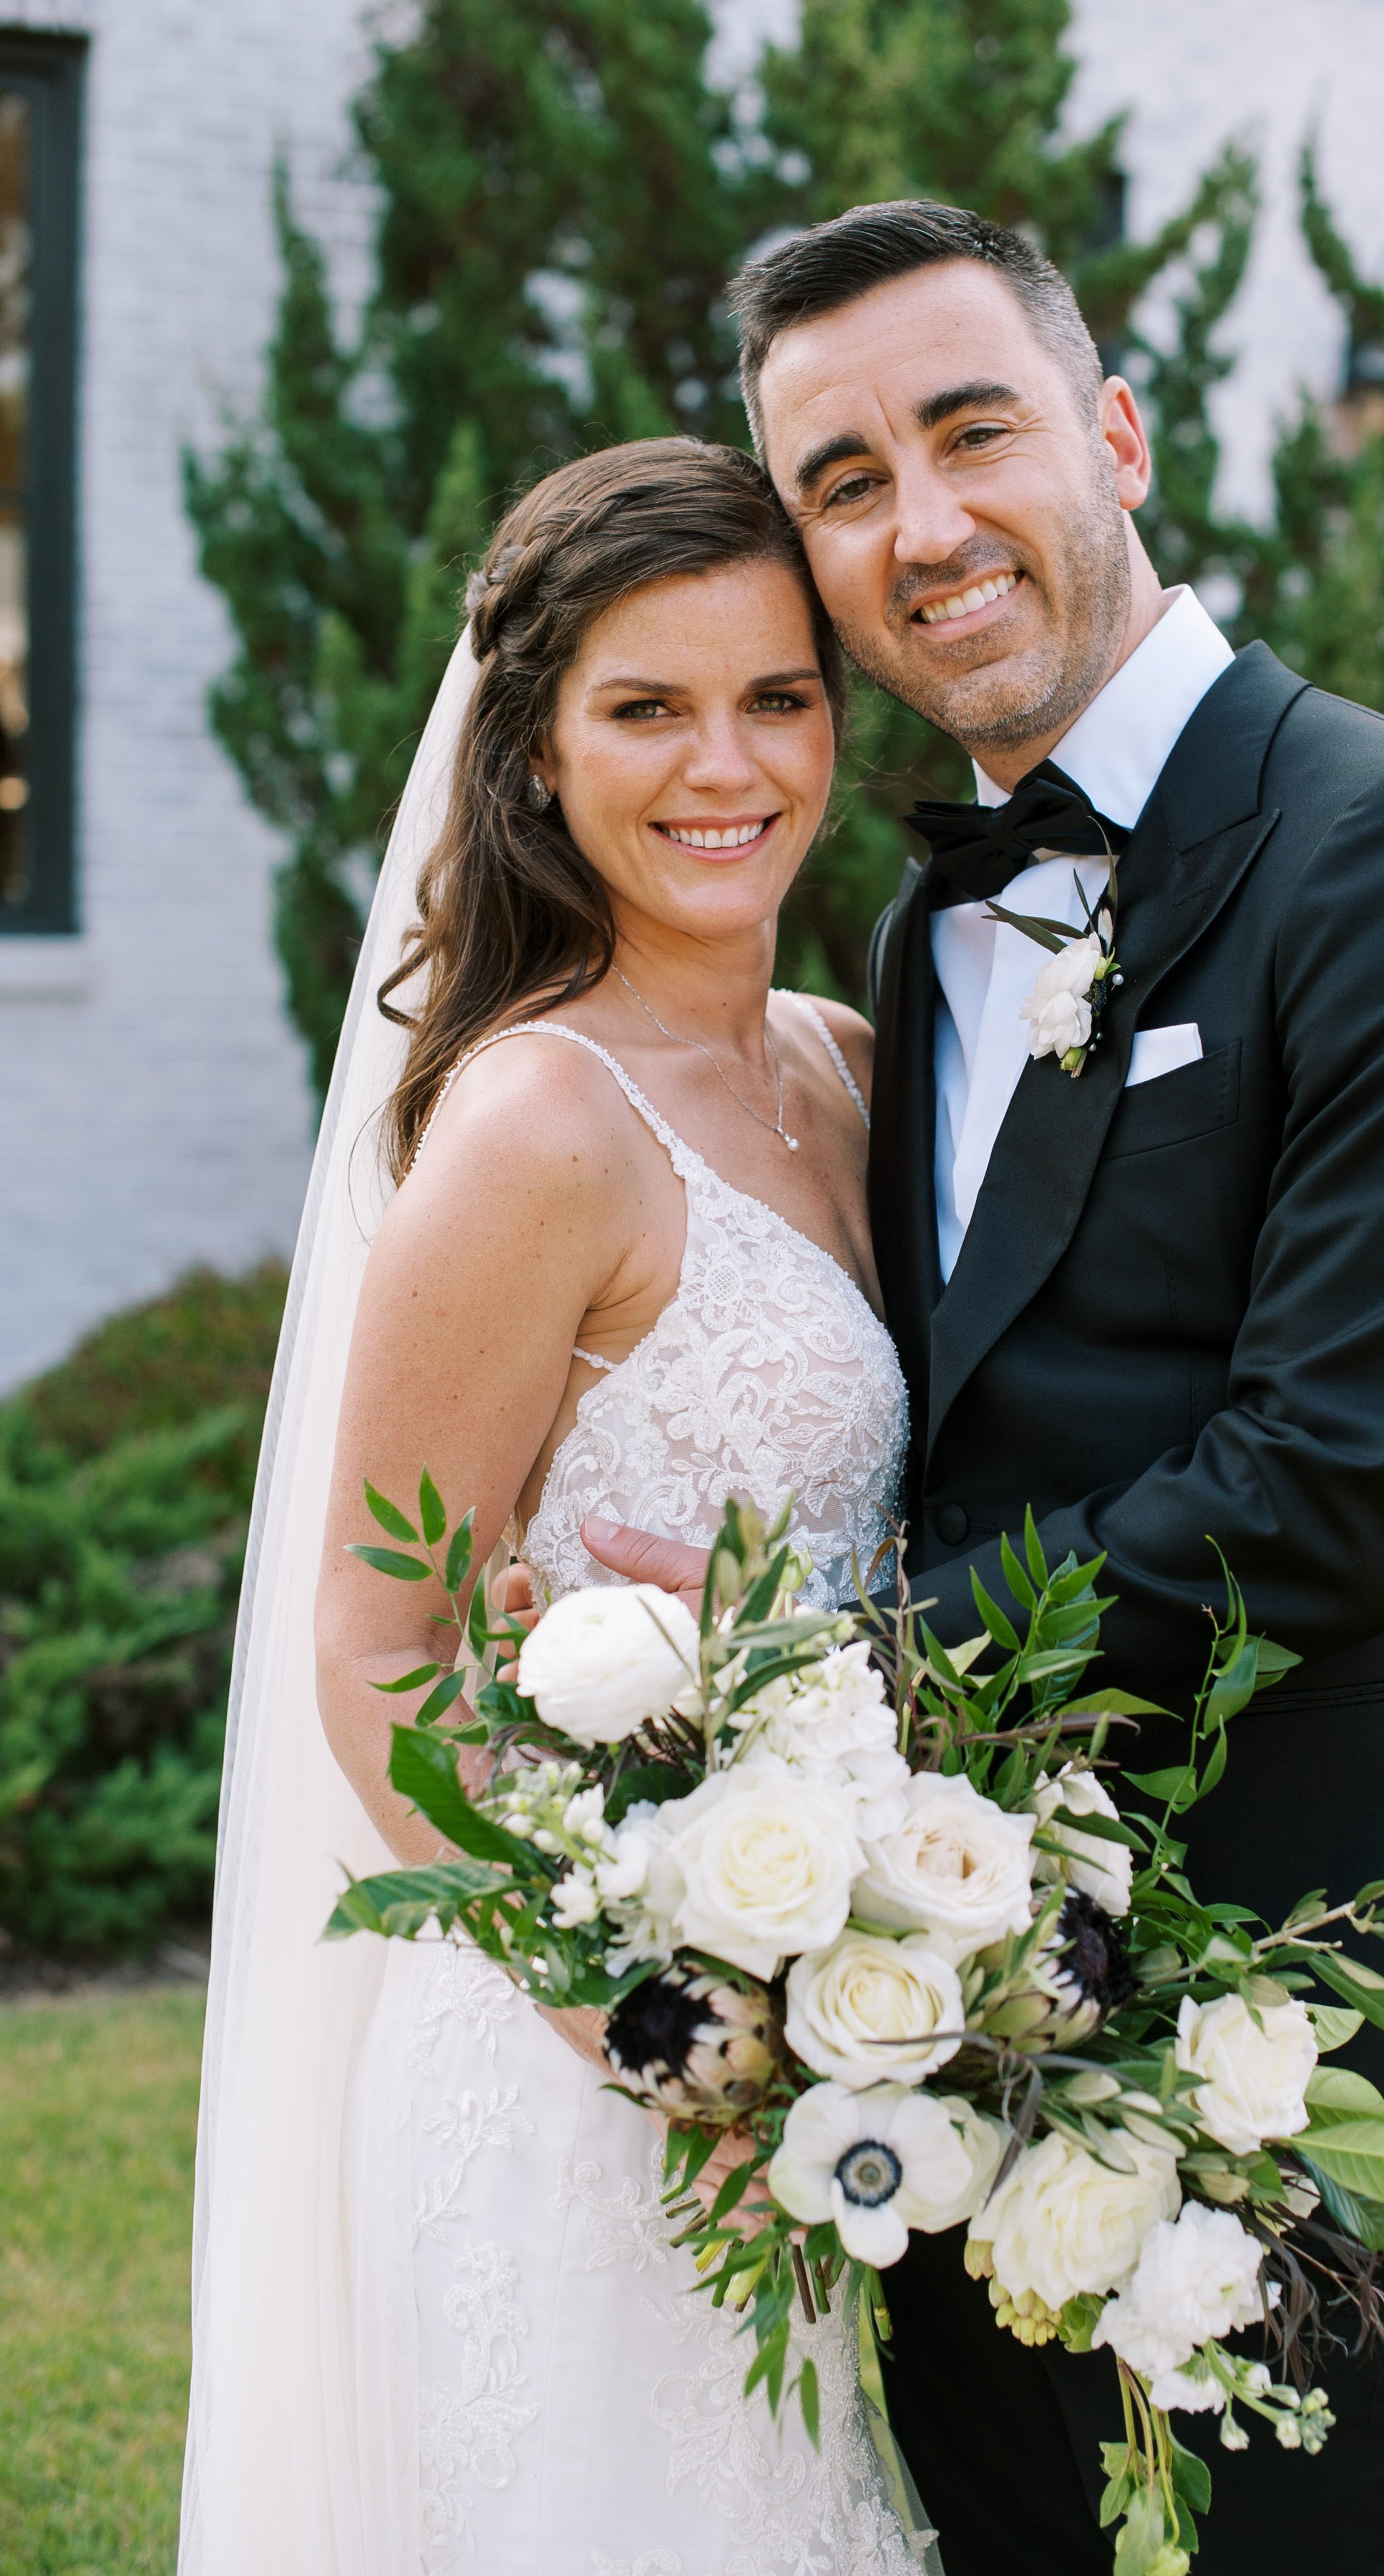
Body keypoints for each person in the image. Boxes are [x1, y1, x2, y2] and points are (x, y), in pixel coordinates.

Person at [572, 200, 1384, 2576]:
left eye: (974, 434)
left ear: (1115, 436)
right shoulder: (918, 920)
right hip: (927, 1992)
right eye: (844, 482)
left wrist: (808, 1693)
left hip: (1304, 1997)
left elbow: (1333, 1481)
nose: (923, 524)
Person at [182, 439, 928, 2575]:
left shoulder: (849, 1065)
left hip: (829, 2020)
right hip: (584, 2064)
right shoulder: (539, 1127)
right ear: (531, 755)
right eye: (646, 708)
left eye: (777, 697)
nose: (728, 765)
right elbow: (376, 1649)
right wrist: (656, 2032)